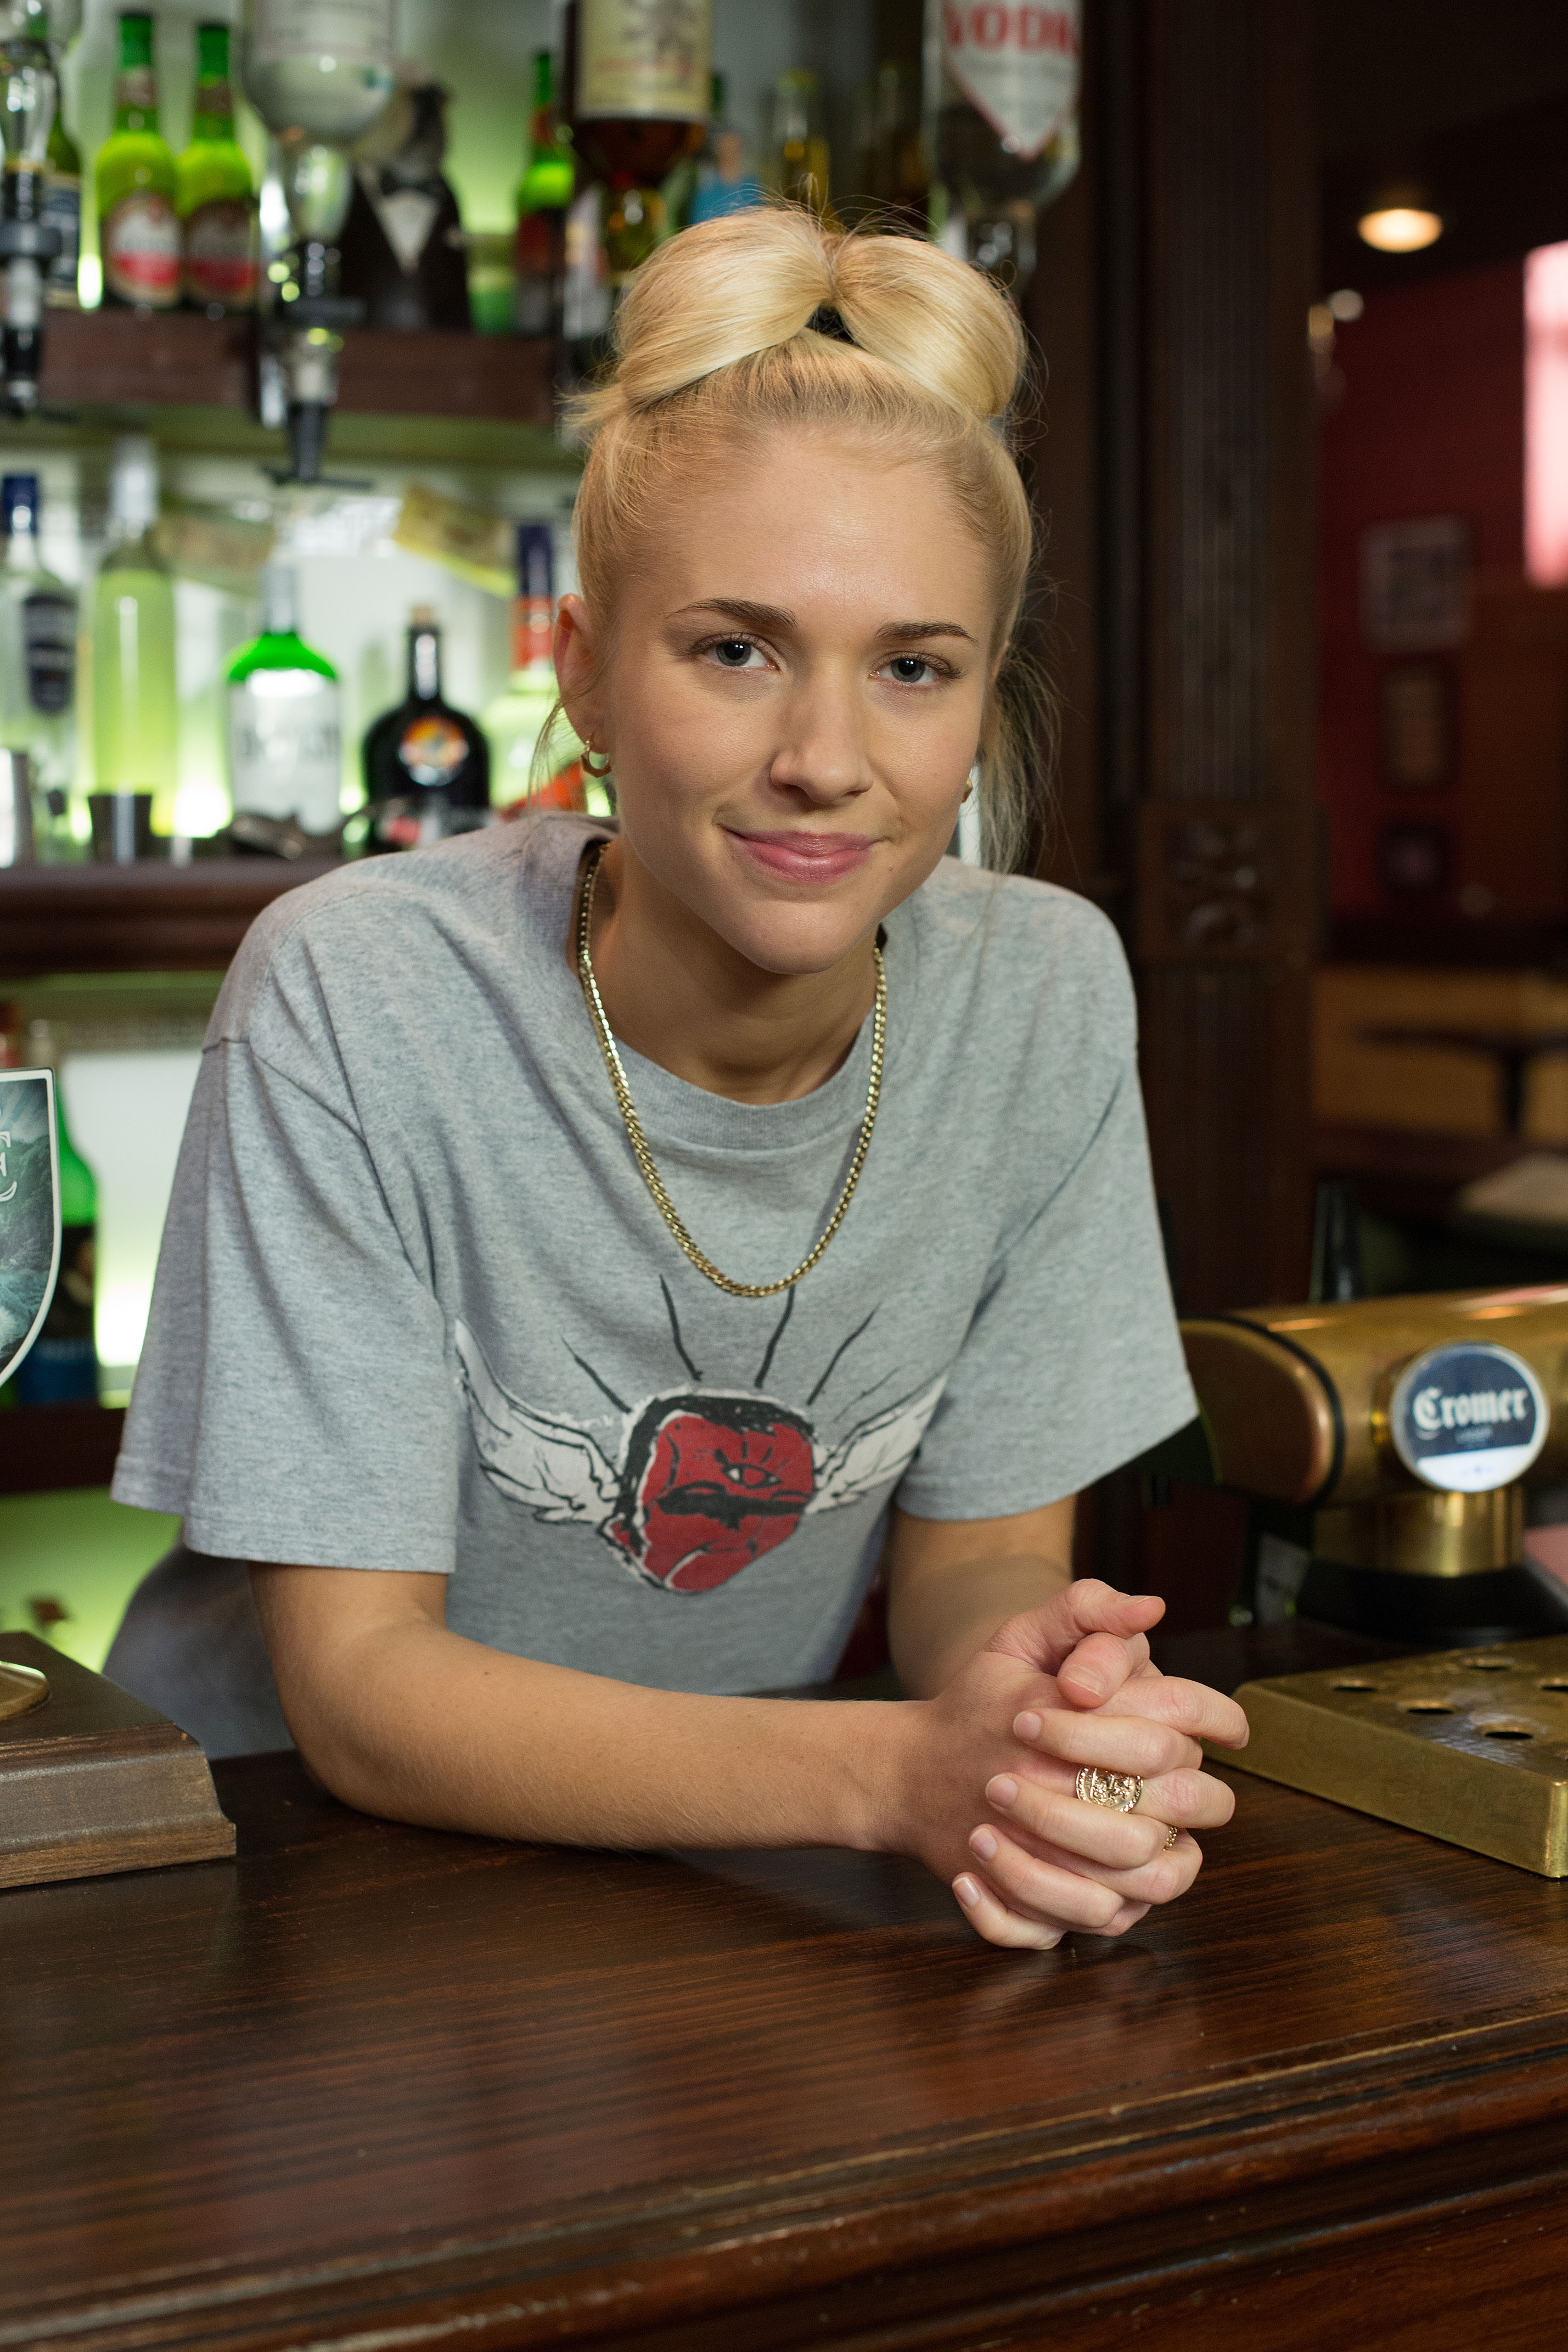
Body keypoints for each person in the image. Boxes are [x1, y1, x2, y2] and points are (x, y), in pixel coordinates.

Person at [108, 206, 1247, 1952]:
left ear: (979, 704)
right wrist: (887, 1781)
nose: (822, 761)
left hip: (714, 1889)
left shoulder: (1041, 991)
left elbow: (976, 1568)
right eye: (734, 649)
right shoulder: (365, 987)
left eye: (913, 671)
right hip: (273, 1894)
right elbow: (360, 1695)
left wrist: (1026, 1712)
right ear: (579, 670)